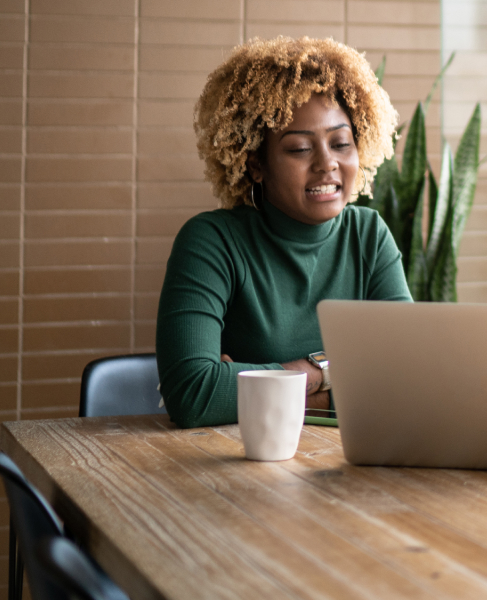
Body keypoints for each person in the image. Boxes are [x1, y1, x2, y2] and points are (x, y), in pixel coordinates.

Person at [156, 37, 408, 429]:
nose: (327, 164)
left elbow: (408, 378)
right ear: (256, 164)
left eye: (341, 143)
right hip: (241, 468)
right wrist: (335, 376)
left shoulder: (369, 237)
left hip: (348, 467)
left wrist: (271, 380)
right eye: (299, 149)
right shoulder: (211, 242)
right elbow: (193, 394)